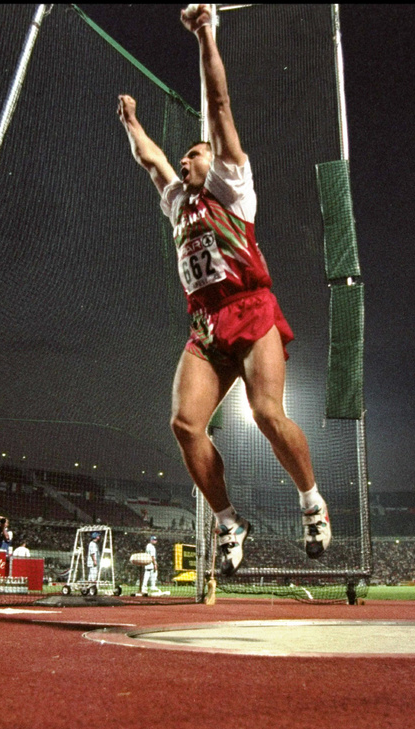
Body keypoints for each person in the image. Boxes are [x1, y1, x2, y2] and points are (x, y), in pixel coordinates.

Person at [117, 5, 330, 576]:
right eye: (187, 153)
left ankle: (312, 503)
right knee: (185, 424)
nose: (188, 156)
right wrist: (132, 121)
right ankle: (230, 524)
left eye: (196, 151)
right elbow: (151, 161)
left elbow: (219, 105)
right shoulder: (178, 203)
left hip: (252, 310)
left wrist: (207, 32)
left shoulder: (232, 182)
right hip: (207, 324)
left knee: (265, 412)